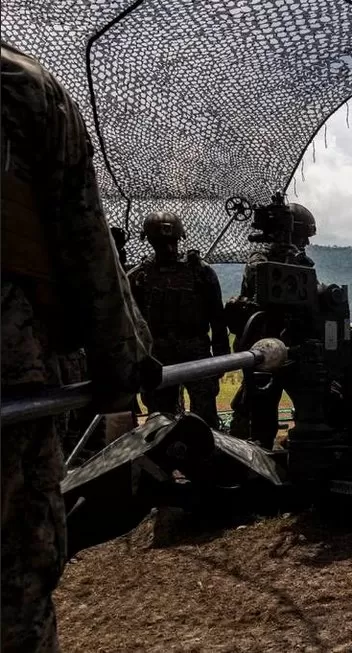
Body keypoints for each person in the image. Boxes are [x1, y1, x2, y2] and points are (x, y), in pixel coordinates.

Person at [1, 42, 155, 652]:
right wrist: (123, 367)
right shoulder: (24, 87)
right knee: (14, 574)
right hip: (12, 370)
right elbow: (84, 242)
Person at [127, 211, 230, 429]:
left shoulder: (201, 272)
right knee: (160, 420)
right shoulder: (138, 277)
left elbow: (218, 318)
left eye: (171, 242)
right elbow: (130, 323)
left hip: (196, 351)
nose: (168, 248)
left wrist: (221, 358)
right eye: (161, 243)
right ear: (151, 242)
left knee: (205, 419)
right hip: (158, 354)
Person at [226, 201, 316, 448]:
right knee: (259, 405)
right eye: (302, 236)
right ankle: (247, 446)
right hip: (264, 344)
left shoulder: (302, 263)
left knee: (309, 402)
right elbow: (263, 286)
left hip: (293, 344)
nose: (305, 243)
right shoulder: (260, 261)